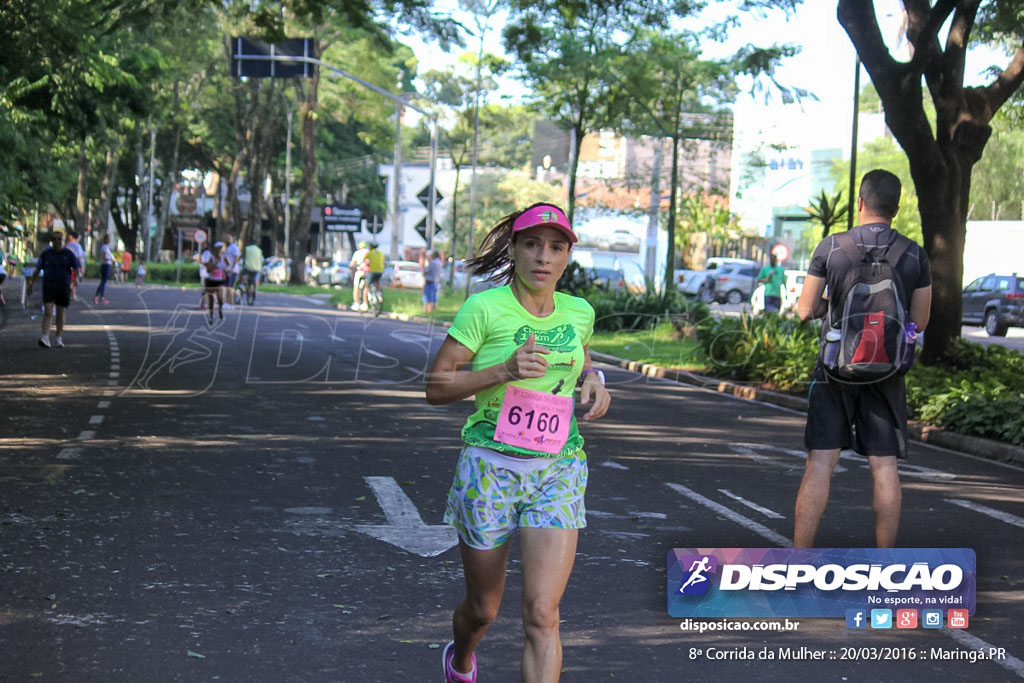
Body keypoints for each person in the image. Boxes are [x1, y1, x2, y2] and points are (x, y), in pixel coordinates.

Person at [426, 203, 611, 683]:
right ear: (514, 249)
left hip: (558, 467)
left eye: (555, 247)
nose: (542, 257)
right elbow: (436, 385)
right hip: (490, 467)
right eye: (531, 244)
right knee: (483, 609)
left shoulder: (579, 311)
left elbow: (582, 358)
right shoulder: (484, 308)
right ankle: (462, 658)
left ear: (568, 255)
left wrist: (594, 378)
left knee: (542, 614)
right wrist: (504, 371)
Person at [793, 169, 932, 549]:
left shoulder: (832, 247)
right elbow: (920, 320)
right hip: (887, 373)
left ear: (859, 203)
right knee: (884, 466)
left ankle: (800, 559)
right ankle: (884, 561)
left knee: (820, 463)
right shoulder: (914, 254)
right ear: (897, 208)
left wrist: (832, 307)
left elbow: (805, 310)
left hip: (835, 370)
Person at [27, 230, 80, 348]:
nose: (57, 241)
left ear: (63, 240)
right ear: (51, 241)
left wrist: (75, 280)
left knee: (61, 312)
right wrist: (31, 282)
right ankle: (45, 337)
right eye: (54, 239)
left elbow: (76, 269)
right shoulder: (46, 254)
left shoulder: (68, 254)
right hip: (49, 285)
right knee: (48, 310)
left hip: (63, 285)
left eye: (59, 239)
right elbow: (37, 269)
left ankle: (58, 338)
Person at [203, 241, 230, 323]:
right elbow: (208, 269)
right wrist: (213, 266)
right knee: (211, 299)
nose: (219, 251)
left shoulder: (224, 257)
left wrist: (225, 270)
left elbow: (228, 264)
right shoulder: (212, 258)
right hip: (211, 280)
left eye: (220, 249)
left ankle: (220, 309)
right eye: (218, 249)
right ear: (215, 250)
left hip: (220, 280)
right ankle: (211, 315)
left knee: (220, 296)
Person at [361, 242, 385, 311]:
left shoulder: (369, 253)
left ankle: (365, 304)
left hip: (372, 271)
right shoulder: (381, 253)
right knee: (377, 282)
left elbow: (363, 260)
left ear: (371, 247)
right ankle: (379, 294)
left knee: (366, 287)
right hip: (380, 271)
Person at [65, 230, 87, 302]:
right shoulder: (77, 246)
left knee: (72, 280)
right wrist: (82, 267)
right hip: (74, 267)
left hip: (66, 266)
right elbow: (79, 257)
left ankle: (73, 295)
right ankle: (67, 292)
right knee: (74, 281)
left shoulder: (66, 245)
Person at [93, 234, 115, 304]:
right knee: (103, 282)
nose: (109, 240)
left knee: (103, 282)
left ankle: (99, 297)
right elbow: (104, 258)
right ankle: (99, 297)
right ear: (105, 239)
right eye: (108, 239)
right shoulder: (105, 247)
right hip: (105, 265)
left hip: (106, 265)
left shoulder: (106, 247)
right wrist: (112, 260)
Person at [349, 241, 370, 311]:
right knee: (366, 287)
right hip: (368, 272)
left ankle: (356, 303)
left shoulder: (357, 253)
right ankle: (365, 303)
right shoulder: (369, 252)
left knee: (356, 287)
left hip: (360, 271)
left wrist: (350, 267)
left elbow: (352, 263)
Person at [422, 249, 443, 313]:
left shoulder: (433, 262)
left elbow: (426, 271)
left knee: (428, 298)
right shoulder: (440, 262)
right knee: (434, 298)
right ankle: (434, 311)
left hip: (430, 282)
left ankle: (428, 311)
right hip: (436, 282)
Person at [223, 234, 240, 307]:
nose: (227, 240)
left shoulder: (234, 247)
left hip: (232, 271)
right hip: (227, 270)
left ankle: (231, 303)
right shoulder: (227, 247)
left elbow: (236, 258)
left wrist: (232, 268)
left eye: (229, 238)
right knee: (227, 287)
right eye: (226, 238)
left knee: (230, 287)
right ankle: (227, 302)